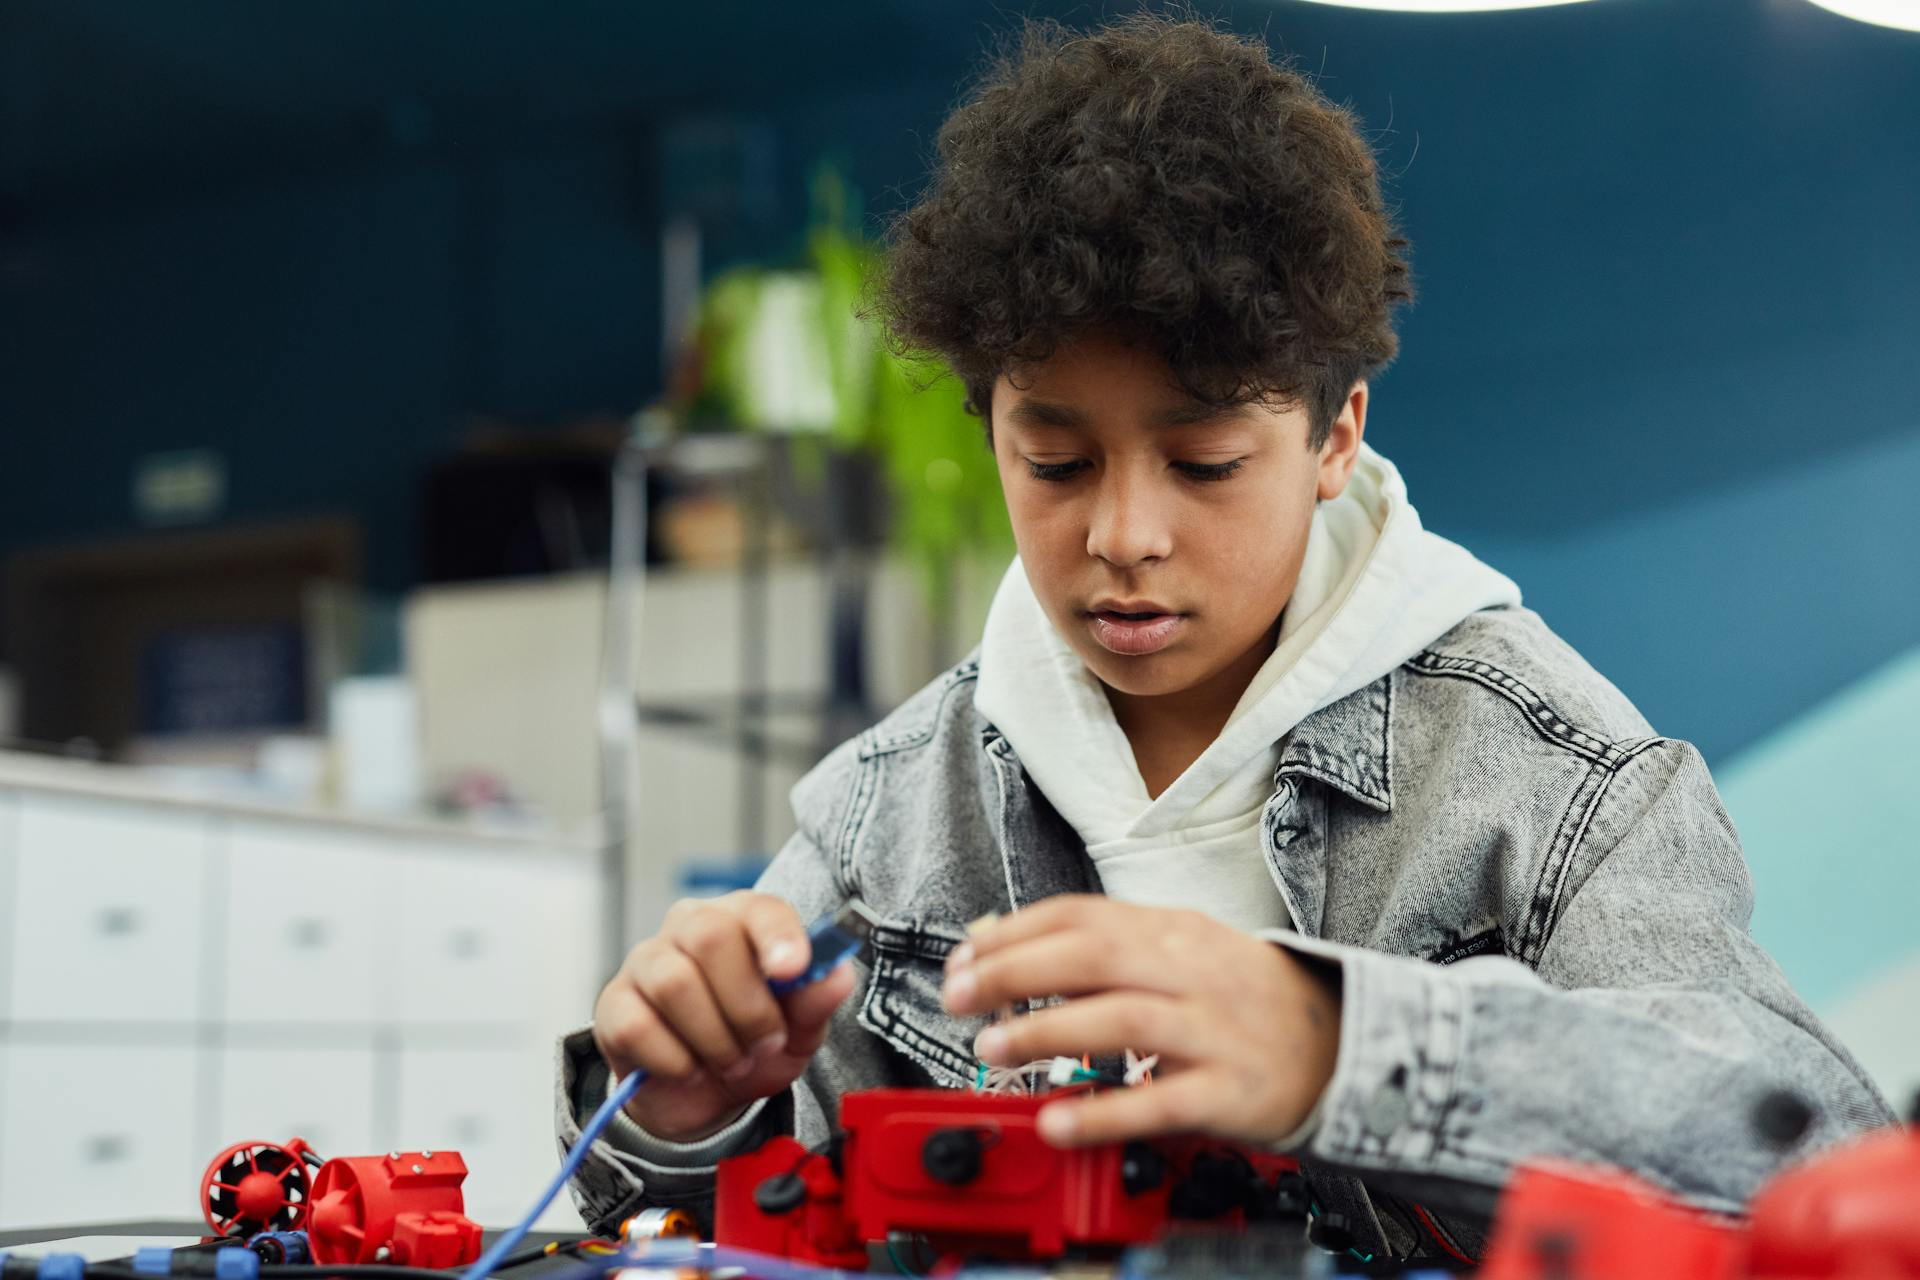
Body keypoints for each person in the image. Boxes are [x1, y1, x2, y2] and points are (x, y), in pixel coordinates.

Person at [555, 13, 1894, 1264]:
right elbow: (689, 1225)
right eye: (1057, 461)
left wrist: (1340, 1049)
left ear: (1334, 437)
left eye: (1201, 462)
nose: (1124, 534)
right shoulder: (890, 818)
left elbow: (1808, 1144)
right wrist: (683, 1110)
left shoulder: (1548, 785)